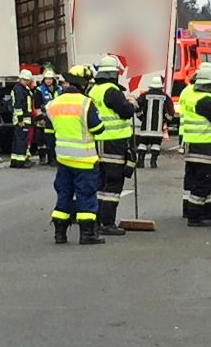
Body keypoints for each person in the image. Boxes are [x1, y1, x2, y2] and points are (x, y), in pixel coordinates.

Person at [46, 66, 107, 245]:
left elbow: (49, 132)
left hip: (63, 159)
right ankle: (87, 234)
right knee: (86, 196)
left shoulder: (53, 104)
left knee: (64, 194)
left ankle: (60, 234)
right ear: (83, 84)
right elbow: (98, 128)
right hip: (84, 161)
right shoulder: (86, 103)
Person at [88, 55, 138, 237]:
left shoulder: (93, 90)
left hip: (98, 141)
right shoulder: (112, 90)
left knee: (100, 182)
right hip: (114, 142)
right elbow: (125, 112)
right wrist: (131, 103)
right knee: (113, 183)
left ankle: (96, 219)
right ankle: (107, 222)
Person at [179, 63, 211, 227]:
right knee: (203, 184)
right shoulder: (205, 100)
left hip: (193, 145)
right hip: (205, 148)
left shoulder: (192, 95)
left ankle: (206, 212)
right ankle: (195, 216)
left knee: (200, 182)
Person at [136, 73, 172, 169]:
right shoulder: (165, 97)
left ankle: (141, 161)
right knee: (156, 144)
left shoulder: (144, 96)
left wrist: (141, 117)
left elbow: (137, 107)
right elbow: (170, 112)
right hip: (158, 129)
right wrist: (165, 121)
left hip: (145, 128)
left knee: (142, 144)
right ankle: (153, 162)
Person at [10, 68, 37, 168]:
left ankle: (15, 160)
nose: (27, 82)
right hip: (23, 119)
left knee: (17, 140)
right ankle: (21, 161)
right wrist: (20, 119)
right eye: (26, 80)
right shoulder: (20, 90)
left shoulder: (20, 89)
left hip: (22, 118)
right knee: (22, 141)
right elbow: (19, 106)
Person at [34, 66, 59, 165]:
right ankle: (42, 157)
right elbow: (37, 105)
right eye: (47, 79)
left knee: (53, 139)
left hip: (55, 118)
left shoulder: (59, 89)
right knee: (41, 138)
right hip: (43, 117)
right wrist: (39, 117)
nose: (48, 81)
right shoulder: (40, 90)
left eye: (50, 79)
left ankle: (53, 158)